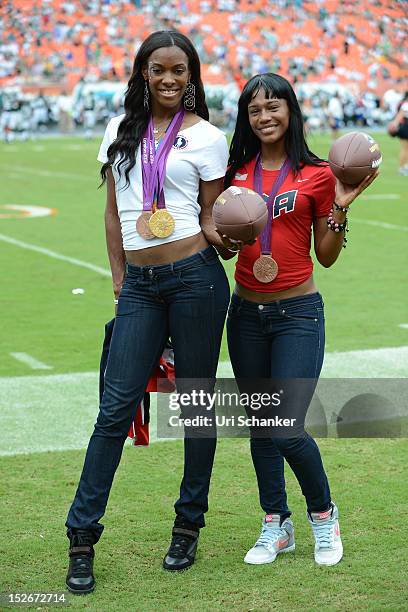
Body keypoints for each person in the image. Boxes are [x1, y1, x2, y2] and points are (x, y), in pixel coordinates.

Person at [65, 30, 231, 593]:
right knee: (114, 409)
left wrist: (225, 236)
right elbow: (113, 214)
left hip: (197, 280)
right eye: (158, 68)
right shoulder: (118, 131)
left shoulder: (208, 137)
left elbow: (209, 216)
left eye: (179, 70)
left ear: (191, 76)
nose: (168, 78)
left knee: (196, 405)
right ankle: (81, 535)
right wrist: (119, 280)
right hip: (138, 284)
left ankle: (188, 526)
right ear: (142, 73)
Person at [222, 73, 378, 567]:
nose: (264, 117)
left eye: (273, 106)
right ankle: (276, 524)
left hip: (297, 313)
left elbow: (326, 257)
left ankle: (323, 514)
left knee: (285, 425)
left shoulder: (315, 173)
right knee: (260, 425)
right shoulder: (235, 171)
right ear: (246, 118)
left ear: (290, 111)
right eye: (254, 110)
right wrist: (225, 235)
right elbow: (227, 248)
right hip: (245, 313)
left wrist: (340, 208)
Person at [388, 91, 408, 175]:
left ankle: (404, 166)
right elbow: (400, 115)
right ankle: (402, 168)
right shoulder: (406, 104)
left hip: (405, 126)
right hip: (406, 127)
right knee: (405, 148)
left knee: (406, 149)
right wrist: (394, 124)